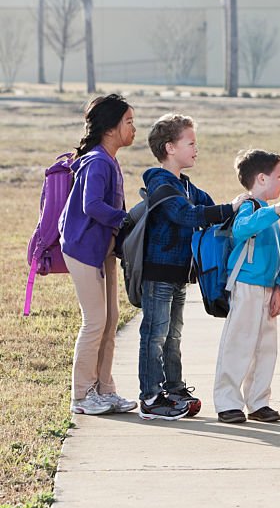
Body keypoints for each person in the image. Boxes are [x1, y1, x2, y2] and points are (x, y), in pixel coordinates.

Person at [138, 114, 249, 421]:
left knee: (173, 335)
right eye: (191, 142)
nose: (195, 148)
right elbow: (187, 216)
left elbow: (209, 209)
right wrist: (229, 208)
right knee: (155, 335)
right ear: (170, 148)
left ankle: (173, 389)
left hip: (178, 276)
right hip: (158, 273)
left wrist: (239, 208)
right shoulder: (161, 184)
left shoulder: (186, 185)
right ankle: (150, 397)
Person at [59, 94, 137, 415]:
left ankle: (105, 389)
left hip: (101, 249)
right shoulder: (98, 161)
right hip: (83, 249)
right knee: (94, 321)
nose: (134, 129)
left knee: (111, 319)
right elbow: (91, 205)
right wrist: (125, 219)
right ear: (111, 127)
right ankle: (82, 395)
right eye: (129, 122)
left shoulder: (109, 159)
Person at [213, 149, 280, 424]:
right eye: (279, 177)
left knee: (265, 348)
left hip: (268, 289)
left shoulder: (270, 215)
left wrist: (279, 287)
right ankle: (228, 402)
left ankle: (259, 401)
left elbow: (277, 254)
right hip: (246, 285)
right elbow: (241, 229)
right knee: (239, 344)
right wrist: (274, 211)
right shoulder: (250, 206)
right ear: (261, 178)